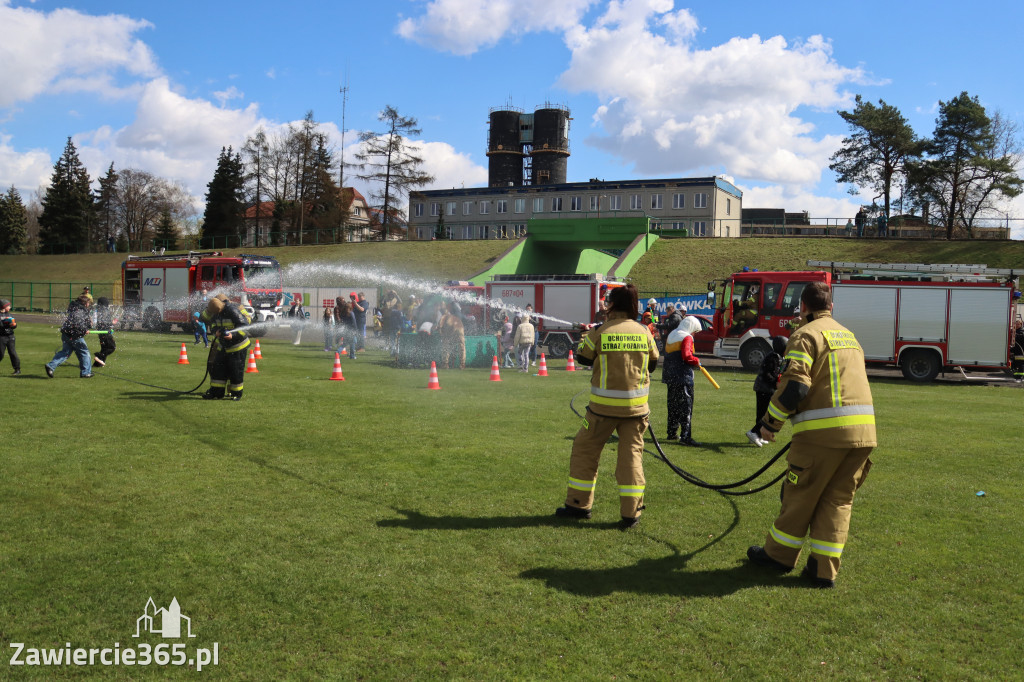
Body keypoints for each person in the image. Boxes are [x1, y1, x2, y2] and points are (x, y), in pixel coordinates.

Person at [746, 281, 876, 589]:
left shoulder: (805, 335)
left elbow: (796, 387)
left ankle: (777, 556)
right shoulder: (849, 336)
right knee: (838, 500)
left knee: (799, 494)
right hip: (864, 435)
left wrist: (769, 424)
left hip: (823, 436)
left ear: (803, 307)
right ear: (831, 308)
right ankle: (822, 569)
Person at [555, 283, 659, 529]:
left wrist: (588, 334)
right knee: (631, 459)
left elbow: (582, 358)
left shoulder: (601, 331)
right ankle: (631, 514)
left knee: (584, 451)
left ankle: (578, 504)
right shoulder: (644, 331)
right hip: (636, 411)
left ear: (612, 304)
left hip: (600, 412)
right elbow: (653, 364)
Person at [200, 294, 252, 400]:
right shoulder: (215, 312)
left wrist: (233, 335)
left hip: (238, 346)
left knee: (236, 371)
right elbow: (213, 325)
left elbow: (245, 327)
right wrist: (216, 331)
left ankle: (236, 394)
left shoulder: (233, 310)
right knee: (217, 369)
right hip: (223, 345)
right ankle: (216, 393)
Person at [662, 323, 702, 446]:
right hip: (683, 377)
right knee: (686, 408)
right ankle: (685, 436)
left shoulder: (672, 334)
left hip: (670, 376)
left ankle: (672, 432)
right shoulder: (687, 337)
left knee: (673, 405)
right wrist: (697, 361)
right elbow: (687, 356)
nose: (694, 334)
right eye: (695, 331)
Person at [746, 336, 788, 446]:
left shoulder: (780, 357)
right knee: (765, 413)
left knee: (763, 413)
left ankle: (758, 435)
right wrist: (775, 383)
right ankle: (753, 432)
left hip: (768, 389)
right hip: (763, 389)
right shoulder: (772, 357)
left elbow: (780, 372)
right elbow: (767, 374)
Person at [45, 293, 93, 378]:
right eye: (88, 303)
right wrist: (84, 330)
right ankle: (86, 372)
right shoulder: (81, 311)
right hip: (75, 335)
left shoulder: (74, 308)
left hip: (66, 334)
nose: (89, 305)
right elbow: (78, 323)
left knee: (65, 352)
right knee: (84, 353)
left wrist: (86, 327)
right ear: (85, 303)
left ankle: (51, 366)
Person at [437, 302, 466, 369]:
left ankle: (445, 364)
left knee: (446, 345)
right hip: (460, 327)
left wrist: (440, 331)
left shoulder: (445, 316)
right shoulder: (459, 315)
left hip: (450, 327)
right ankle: (462, 364)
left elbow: (440, 325)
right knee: (461, 346)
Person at [92, 297, 117, 367]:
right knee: (112, 347)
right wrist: (112, 323)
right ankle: (99, 356)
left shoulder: (99, 310)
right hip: (105, 332)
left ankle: (97, 364)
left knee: (104, 348)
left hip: (101, 332)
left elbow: (100, 322)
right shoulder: (105, 310)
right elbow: (105, 323)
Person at [0, 299, 21, 376]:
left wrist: (13, 325)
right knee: (1, 354)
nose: (10, 307)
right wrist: (6, 323)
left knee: (12, 353)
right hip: (1, 337)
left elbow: (14, 325)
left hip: (10, 336)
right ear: (3, 306)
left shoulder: (10, 315)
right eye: (8, 306)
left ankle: (17, 369)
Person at [1011, 318, 1024, 382]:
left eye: (1018, 324)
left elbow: (1021, 338)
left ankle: (1020, 377)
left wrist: (1014, 335)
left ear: (1021, 325)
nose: (1017, 325)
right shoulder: (1016, 331)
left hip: (1020, 351)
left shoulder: (1021, 331)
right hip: (1016, 351)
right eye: (1016, 324)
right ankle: (1017, 376)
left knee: (1020, 364)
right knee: (1015, 364)